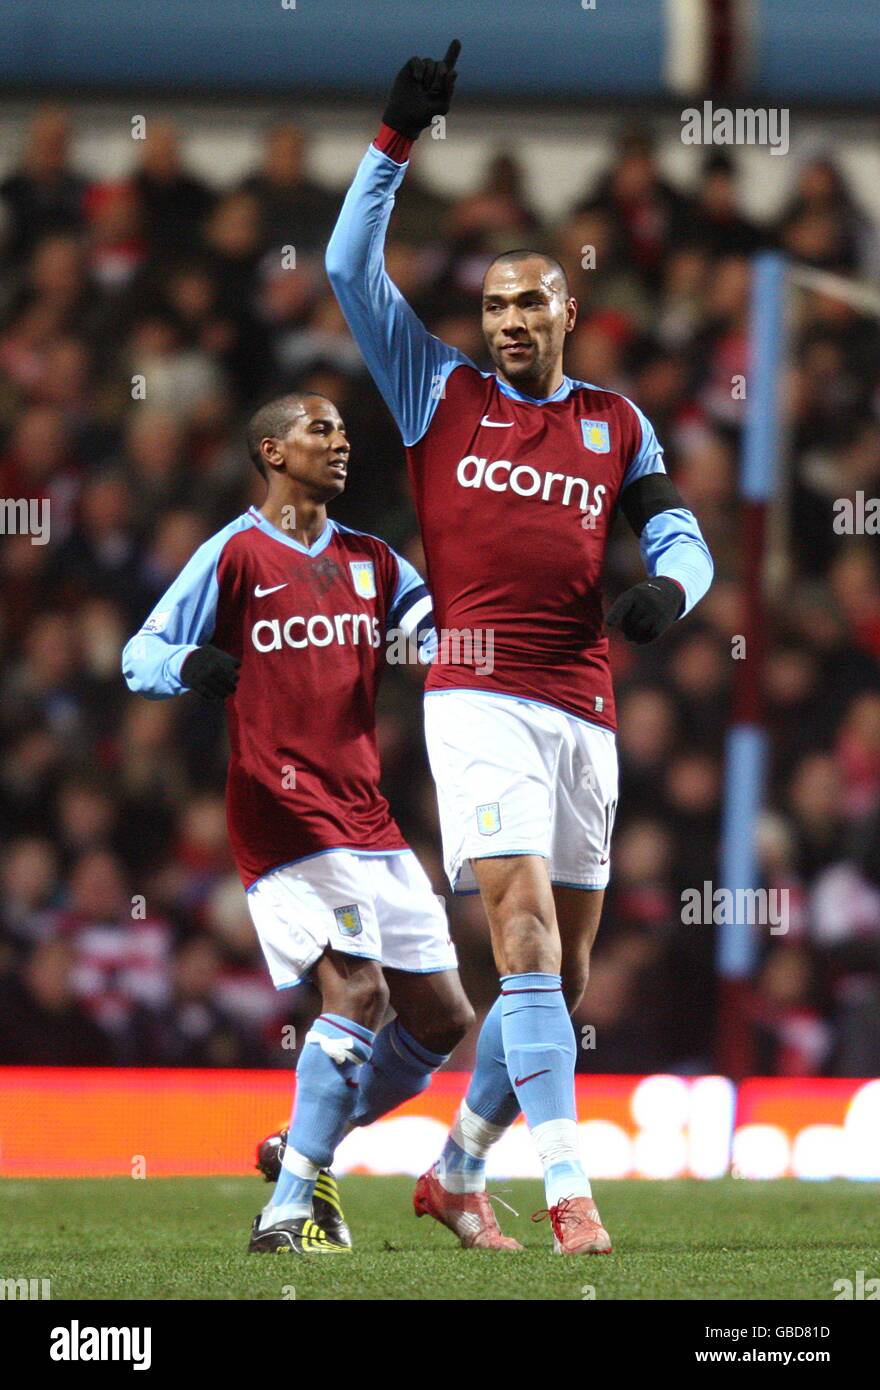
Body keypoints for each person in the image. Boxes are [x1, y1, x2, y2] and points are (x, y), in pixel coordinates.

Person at [325, 42, 713, 1254]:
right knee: (525, 937)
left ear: (565, 311)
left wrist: (673, 594)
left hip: (582, 706)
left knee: (565, 972)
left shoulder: (615, 420)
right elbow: (347, 264)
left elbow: (681, 533)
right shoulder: (433, 390)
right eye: (489, 305)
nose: (502, 323)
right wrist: (394, 141)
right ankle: (568, 1190)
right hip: (475, 689)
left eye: (522, 304)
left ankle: (451, 1171)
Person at [122, 391, 473, 1253]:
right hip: (281, 812)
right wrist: (191, 662)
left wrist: (472, 643)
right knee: (358, 989)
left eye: (346, 431)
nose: (342, 442)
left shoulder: (373, 561)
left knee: (442, 1019)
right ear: (272, 451)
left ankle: (300, 1154)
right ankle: (285, 1215)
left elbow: (436, 634)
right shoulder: (235, 554)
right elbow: (140, 655)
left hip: (368, 814)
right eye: (321, 430)